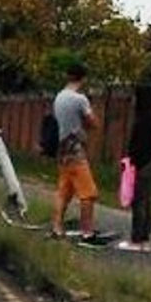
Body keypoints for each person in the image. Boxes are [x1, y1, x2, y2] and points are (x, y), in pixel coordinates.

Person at [50, 63, 109, 246]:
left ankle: (57, 227)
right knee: (88, 193)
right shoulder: (79, 99)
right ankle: (87, 233)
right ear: (83, 78)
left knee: (64, 190)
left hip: (62, 149)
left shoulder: (59, 97)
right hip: (76, 150)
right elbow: (92, 122)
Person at [118, 84, 151, 252]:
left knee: (138, 202)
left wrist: (131, 163)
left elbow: (139, 145)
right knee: (146, 200)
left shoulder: (143, 120)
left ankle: (136, 240)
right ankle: (144, 239)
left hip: (142, 164)